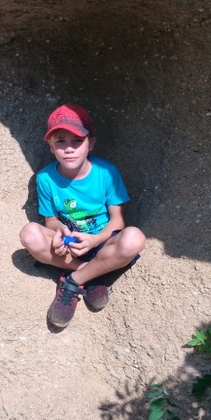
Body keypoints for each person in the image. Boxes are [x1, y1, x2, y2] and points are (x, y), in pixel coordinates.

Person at [19, 103, 145, 328]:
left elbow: (117, 220)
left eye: (77, 141)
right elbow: (50, 220)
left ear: (91, 144)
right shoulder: (45, 179)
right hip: (70, 245)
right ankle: (92, 274)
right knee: (29, 234)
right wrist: (60, 232)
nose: (69, 149)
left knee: (134, 238)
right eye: (61, 141)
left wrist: (95, 240)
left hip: (102, 242)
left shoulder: (106, 172)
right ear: (51, 147)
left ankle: (73, 281)